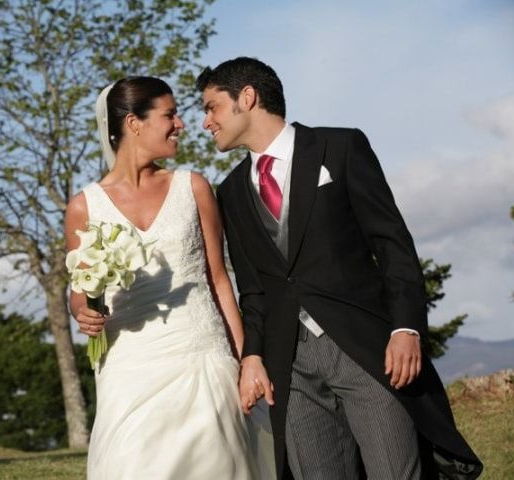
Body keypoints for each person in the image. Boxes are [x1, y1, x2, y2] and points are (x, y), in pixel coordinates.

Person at [197, 57, 483, 480]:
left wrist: (406, 328)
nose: (206, 122)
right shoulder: (232, 191)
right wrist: (253, 355)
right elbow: (253, 289)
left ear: (248, 97)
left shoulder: (341, 147)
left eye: (211, 106)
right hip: (288, 368)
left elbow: (392, 245)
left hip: (367, 353)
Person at [66, 76, 264, 479]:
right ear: (134, 123)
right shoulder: (84, 206)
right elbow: (79, 290)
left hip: (202, 359)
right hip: (129, 367)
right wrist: (82, 311)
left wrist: (246, 362)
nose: (181, 125)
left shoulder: (193, 187)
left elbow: (219, 280)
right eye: (170, 115)